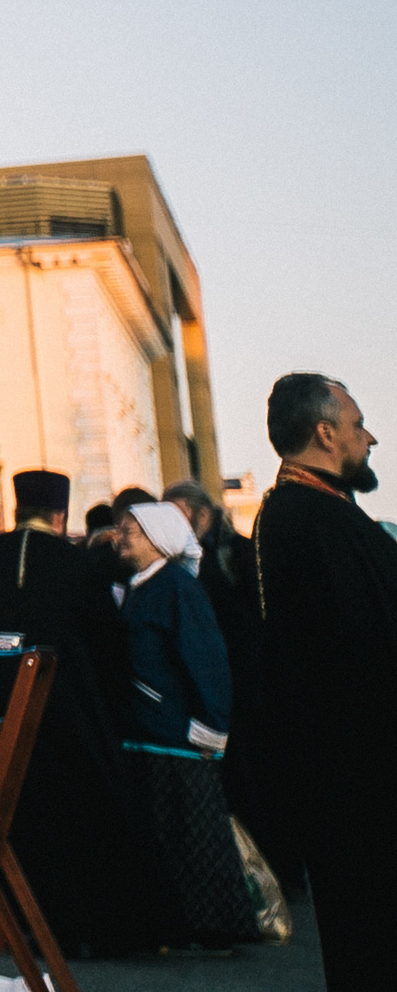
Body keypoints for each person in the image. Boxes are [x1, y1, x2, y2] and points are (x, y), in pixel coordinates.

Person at [0, 468, 159, 956]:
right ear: (59, 515)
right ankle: (84, 924)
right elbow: (107, 639)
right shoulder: (75, 561)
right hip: (67, 707)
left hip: (0, 703)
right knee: (80, 810)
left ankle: (23, 919)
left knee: (17, 811)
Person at [250, 373, 397, 989]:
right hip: (358, 778)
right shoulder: (305, 518)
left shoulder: (318, 512)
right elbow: (357, 651)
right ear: (325, 431)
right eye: (359, 424)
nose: (370, 439)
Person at [112, 500, 255, 948]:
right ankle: (183, 924)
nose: (121, 539)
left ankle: (218, 929)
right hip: (151, 734)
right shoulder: (141, 586)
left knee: (198, 836)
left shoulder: (176, 588)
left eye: (130, 533)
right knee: (172, 838)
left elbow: (207, 660)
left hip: (177, 736)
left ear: (158, 540)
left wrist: (211, 727)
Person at [162, 477, 287, 888]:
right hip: (216, 691)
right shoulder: (185, 560)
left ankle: (275, 873)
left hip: (251, 689)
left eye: (178, 515)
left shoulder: (238, 553)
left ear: (203, 514)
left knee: (259, 781)